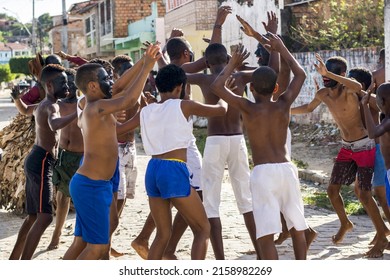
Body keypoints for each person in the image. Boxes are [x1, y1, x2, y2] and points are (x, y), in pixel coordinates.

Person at [131, 6, 232, 260]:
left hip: (154, 166)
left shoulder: (156, 96)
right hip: (178, 154)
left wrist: (165, 45)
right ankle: (169, 251)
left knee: (165, 226)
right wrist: (225, 90)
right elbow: (214, 60)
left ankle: (154, 244)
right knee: (201, 224)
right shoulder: (182, 92)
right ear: (187, 54)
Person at [210, 34, 308, 259]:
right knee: (297, 227)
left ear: (251, 88)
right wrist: (282, 47)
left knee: (265, 234)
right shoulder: (284, 104)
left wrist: (232, 64)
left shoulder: (247, 108)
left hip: (263, 173)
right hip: (286, 169)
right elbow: (300, 74)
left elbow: (217, 86)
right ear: (276, 89)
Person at [62, 44, 161, 260]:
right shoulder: (95, 107)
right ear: (92, 86)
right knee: (96, 248)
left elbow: (120, 88)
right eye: (106, 79)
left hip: (96, 184)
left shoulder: (98, 105)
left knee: (83, 243)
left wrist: (144, 61)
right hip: (91, 186)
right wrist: (147, 69)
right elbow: (128, 99)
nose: (111, 82)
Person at [291, 54, 389, 258]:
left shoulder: (351, 91)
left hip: (364, 146)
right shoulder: (323, 93)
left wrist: (330, 74)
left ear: (341, 74)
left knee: (363, 193)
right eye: (324, 72)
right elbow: (308, 108)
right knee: (332, 191)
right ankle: (345, 222)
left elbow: (355, 84)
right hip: (347, 148)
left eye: (331, 73)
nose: (326, 77)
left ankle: (382, 234)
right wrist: (283, 110)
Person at [140, 64, 226, 259]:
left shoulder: (147, 110)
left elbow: (122, 128)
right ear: (180, 87)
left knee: (162, 234)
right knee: (202, 229)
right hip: (173, 168)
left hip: (152, 169)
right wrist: (224, 95)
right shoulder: (183, 105)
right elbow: (220, 111)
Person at [9, 64, 77, 260]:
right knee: (45, 216)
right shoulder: (51, 106)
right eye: (62, 82)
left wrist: (16, 99)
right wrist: (77, 113)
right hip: (41, 162)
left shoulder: (42, 105)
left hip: (36, 159)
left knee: (33, 216)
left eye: (67, 81)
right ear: (49, 85)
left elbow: (24, 110)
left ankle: (14, 260)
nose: (67, 85)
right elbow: (54, 123)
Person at [47, 68, 84, 250]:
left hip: (82, 156)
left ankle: (82, 237)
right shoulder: (57, 104)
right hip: (64, 155)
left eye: (71, 81)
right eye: (65, 82)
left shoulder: (83, 103)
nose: (68, 85)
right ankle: (57, 234)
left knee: (83, 199)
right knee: (62, 197)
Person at [363, 83, 390, 229]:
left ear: (383, 101)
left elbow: (372, 133)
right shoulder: (385, 117)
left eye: (378, 99)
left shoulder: (388, 121)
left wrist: (365, 106)